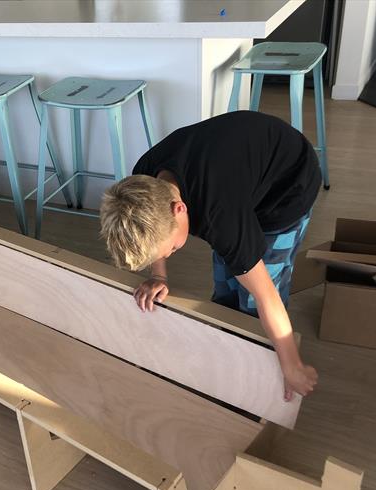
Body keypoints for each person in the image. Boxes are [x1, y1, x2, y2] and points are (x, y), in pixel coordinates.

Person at [100, 110, 320, 400]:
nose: (171, 253)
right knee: (228, 286)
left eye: (173, 249)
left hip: (288, 184)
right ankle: (230, 356)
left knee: (255, 299)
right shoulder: (144, 181)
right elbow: (162, 234)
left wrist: (293, 365)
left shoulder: (221, 216)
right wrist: (158, 274)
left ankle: (260, 377)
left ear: (179, 209)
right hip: (239, 171)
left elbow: (267, 296)